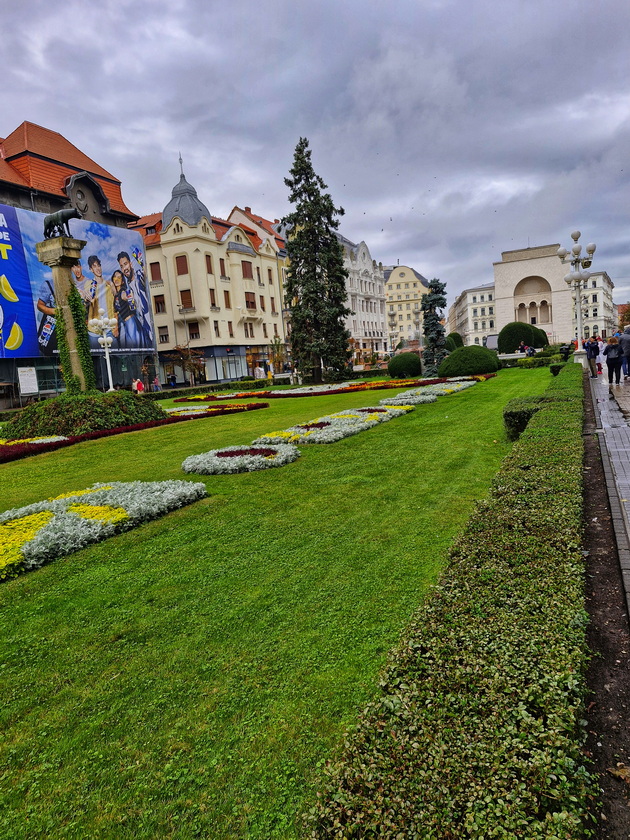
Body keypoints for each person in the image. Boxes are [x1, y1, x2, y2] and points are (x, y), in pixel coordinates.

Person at [118, 251, 151, 347]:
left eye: (125, 264)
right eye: (121, 266)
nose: (124, 268)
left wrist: (140, 259)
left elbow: (146, 273)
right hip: (143, 326)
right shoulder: (128, 287)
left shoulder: (139, 275)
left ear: (130, 264)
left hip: (149, 322)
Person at [85, 255, 117, 349]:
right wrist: (87, 298)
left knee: (112, 357)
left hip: (109, 329)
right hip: (94, 330)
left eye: (98, 265)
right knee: (97, 359)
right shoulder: (89, 284)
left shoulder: (109, 285)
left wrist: (112, 285)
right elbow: (86, 298)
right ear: (91, 269)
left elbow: (116, 299)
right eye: (94, 266)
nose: (97, 268)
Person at [110, 269, 142, 349]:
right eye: (115, 277)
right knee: (129, 347)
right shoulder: (116, 296)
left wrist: (129, 297)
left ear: (122, 281)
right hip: (125, 324)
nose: (116, 279)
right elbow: (116, 313)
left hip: (131, 321)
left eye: (119, 277)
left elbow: (126, 295)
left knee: (134, 346)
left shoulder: (122, 291)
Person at [36, 279, 58, 356]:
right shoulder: (49, 284)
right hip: (52, 324)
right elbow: (40, 305)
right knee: (45, 351)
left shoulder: (77, 283)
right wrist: (53, 311)